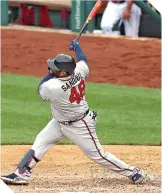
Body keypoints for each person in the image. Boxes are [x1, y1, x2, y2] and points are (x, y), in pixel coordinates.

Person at [1, 40, 148, 185]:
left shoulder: (52, 87)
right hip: (60, 122)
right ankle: (21, 174)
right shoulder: (79, 70)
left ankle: (134, 172)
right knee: (41, 141)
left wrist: (51, 73)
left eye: (54, 68)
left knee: (98, 155)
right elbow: (83, 59)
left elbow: (41, 87)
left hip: (80, 125)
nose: (51, 69)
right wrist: (77, 48)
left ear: (64, 72)